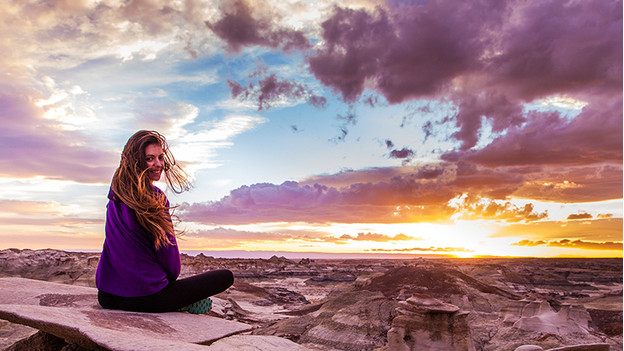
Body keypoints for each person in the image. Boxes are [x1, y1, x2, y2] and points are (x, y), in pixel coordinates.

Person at [96, 130, 233, 313]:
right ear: (135, 161)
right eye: (150, 159)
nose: (158, 164)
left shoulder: (115, 197)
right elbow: (170, 262)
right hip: (147, 298)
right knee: (225, 277)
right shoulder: (155, 198)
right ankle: (182, 304)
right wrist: (168, 285)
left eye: (160, 158)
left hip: (107, 296)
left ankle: (177, 301)